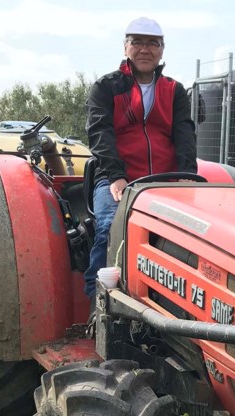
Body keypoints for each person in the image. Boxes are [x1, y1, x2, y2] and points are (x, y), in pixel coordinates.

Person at [84, 16, 198, 301]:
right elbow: (100, 132)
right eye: (137, 42)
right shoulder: (106, 87)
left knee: (190, 234)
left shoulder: (174, 91)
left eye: (152, 43)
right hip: (117, 178)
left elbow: (185, 133)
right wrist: (116, 175)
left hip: (165, 179)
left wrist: (186, 174)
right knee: (110, 228)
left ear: (161, 50)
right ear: (126, 48)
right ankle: (97, 301)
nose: (145, 49)